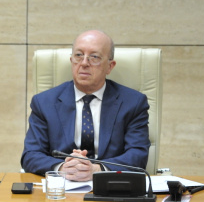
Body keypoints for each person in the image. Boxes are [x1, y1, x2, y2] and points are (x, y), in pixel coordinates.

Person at [21, 30, 150, 181]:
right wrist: (63, 167)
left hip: (111, 187)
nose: (84, 63)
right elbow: (30, 155)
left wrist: (97, 169)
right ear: (71, 61)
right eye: (78, 55)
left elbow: (138, 155)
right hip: (60, 187)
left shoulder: (133, 103)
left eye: (94, 57)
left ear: (110, 66)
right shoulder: (44, 102)